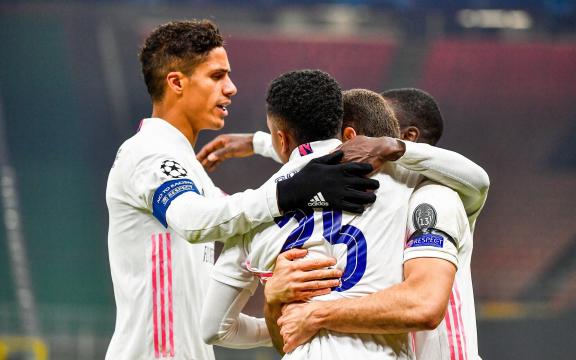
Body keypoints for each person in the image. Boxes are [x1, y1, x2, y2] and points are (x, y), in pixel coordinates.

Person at [104, 20, 380, 360]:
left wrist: (300, 320)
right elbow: (194, 221)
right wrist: (289, 191)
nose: (231, 88)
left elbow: (242, 214)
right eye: (217, 76)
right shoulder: (147, 153)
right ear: (176, 82)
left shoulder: (191, 174)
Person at [200, 82, 488, 359]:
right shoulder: (369, 201)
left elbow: (423, 305)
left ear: (405, 139)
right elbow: (288, 341)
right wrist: (275, 303)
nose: (354, 144)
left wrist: (316, 313)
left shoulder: (436, 197)